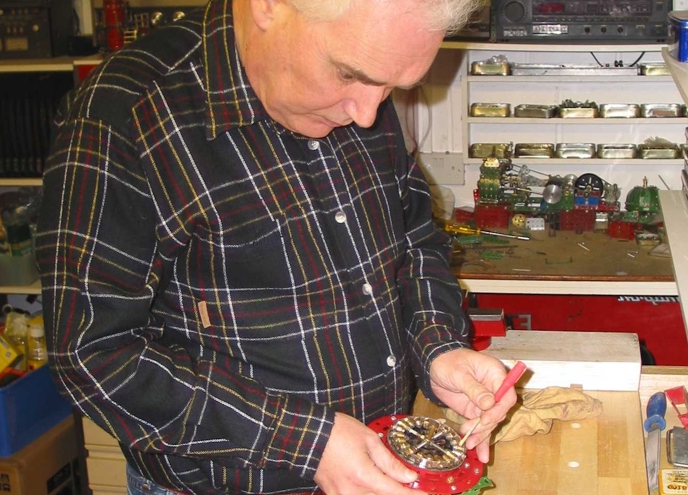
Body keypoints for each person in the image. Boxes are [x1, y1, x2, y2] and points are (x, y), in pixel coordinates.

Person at [36, 0, 516, 494]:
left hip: (379, 468)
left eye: (391, 86)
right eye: (349, 74)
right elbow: (93, 356)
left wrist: (437, 346)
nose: (368, 114)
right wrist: (310, 443)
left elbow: (414, 237)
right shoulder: (126, 115)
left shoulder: (361, 72)